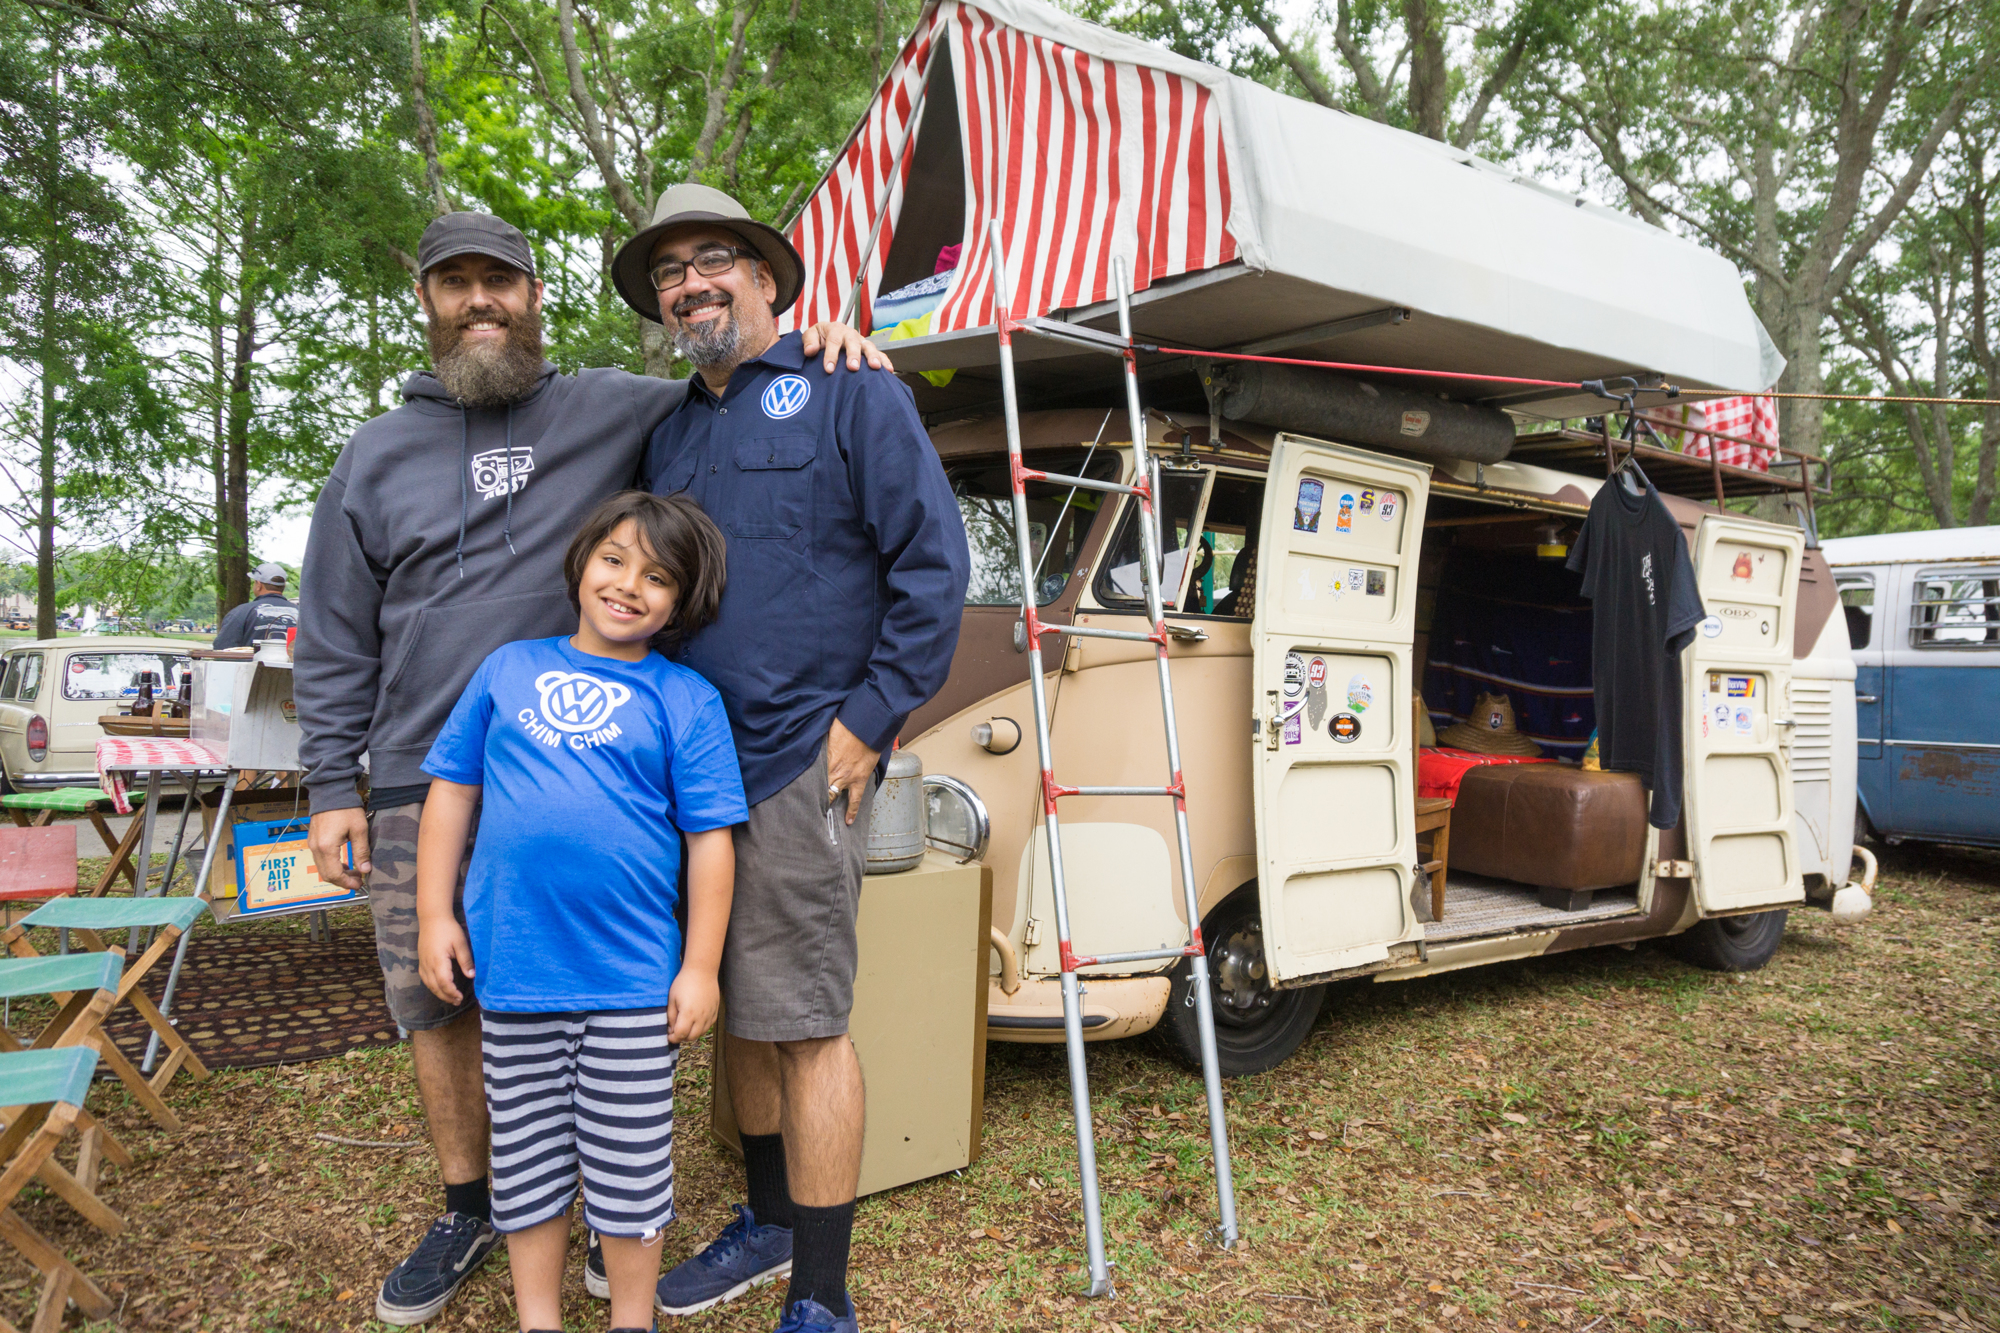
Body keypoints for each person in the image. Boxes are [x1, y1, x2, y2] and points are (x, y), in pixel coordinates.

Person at [293, 208, 887, 1327]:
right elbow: (332, 629)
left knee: (622, 989)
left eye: (499, 281)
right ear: (424, 301)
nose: (479, 301)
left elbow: (734, 359)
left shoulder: (616, 406)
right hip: (429, 768)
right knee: (441, 1002)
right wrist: (333, 782)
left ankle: (644, 1233)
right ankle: (472, 1207)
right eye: (453, 283)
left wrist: (825, 345)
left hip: (605, 772)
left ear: (532, 294)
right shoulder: (374, 454)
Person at [616, 183, 969, 1333]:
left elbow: (932, 569)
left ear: (768, 277)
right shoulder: (666, 431)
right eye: (669, 273)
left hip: (792, 759)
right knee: (731, 1004)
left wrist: (868, 720)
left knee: (806, 1019)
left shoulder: (850, 389)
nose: (691, 284)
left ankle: (821, 1291)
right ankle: (766, 1221)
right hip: (679, 770)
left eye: (713, 259)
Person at [415, 491, 745, 1333]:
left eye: (658, 575)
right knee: (525, 1168)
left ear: (682, 601)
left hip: (631, 984)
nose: (630, 584)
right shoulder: (506, 670)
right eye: (614, 559)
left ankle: (632, 1320)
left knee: (630, 1177)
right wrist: (433, 918)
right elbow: (451, 796)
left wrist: (699, 967)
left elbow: (711, 841)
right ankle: (539, 1321)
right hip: (516, 972)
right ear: (581, 561)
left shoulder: (687, 700)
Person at [212, 562, 298, 648]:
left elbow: (222, 647)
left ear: (259, 585)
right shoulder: (302, 613)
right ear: (284, 586)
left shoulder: (240, 613)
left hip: (252, 661)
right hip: (293, 661)